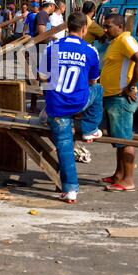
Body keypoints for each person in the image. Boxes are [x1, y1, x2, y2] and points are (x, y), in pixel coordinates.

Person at [39, 11, 103, 203]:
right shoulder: (91, 51)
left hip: (56, 106)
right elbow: (93, 80)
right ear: (84, 29)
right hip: (79, 102)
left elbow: (42, 77)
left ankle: (71, 190)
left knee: (65, 147)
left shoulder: (52, 47)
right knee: (99, 90)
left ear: (68, 27)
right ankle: (90, 128)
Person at [100, 14, 138, 192]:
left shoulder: (126, 40)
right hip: (112, 97)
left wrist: (130, 86)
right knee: (118, 140)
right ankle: (119, 175)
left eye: (108, 26)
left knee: (125, 140)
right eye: (104, 26)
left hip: (121, 99)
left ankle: (128, 180)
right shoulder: (116, 41)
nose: (105, 29)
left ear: (120, 26)